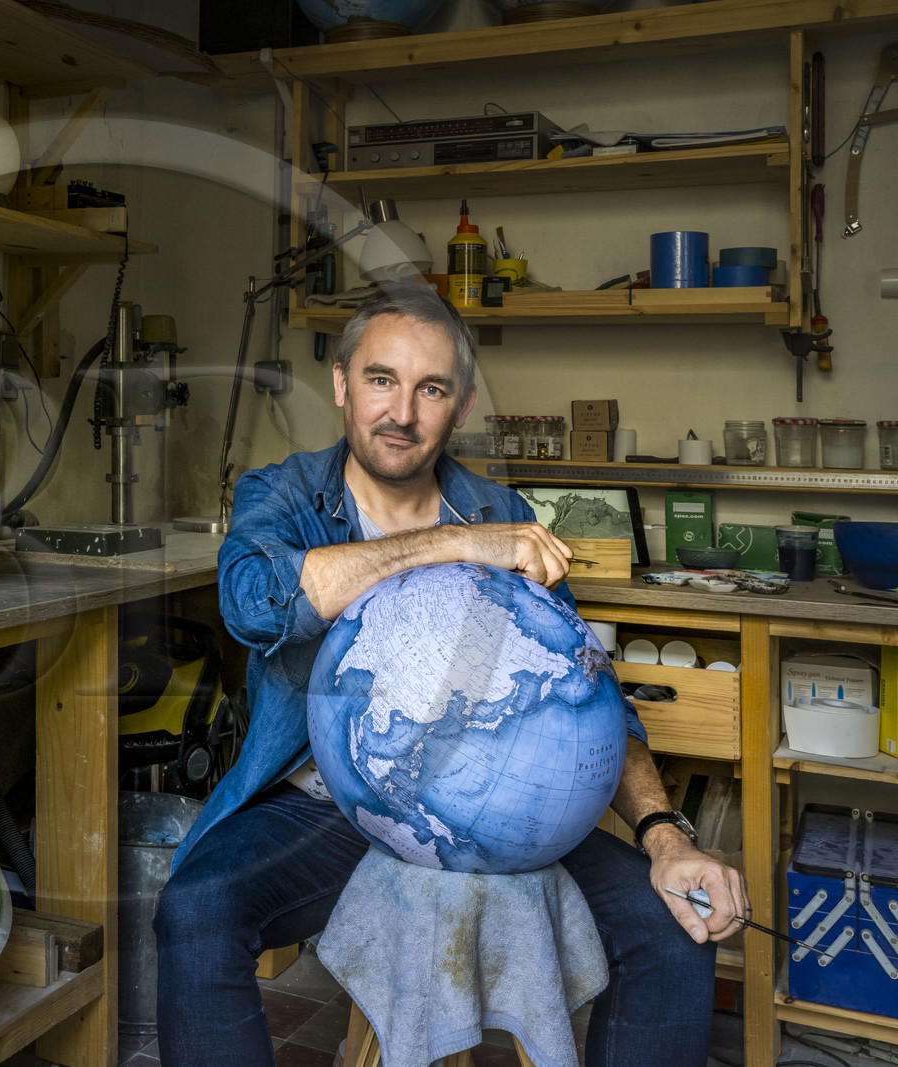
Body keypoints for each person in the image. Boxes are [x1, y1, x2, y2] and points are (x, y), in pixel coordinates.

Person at [153, 283, 749, 1067]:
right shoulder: (287, 493)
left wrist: (665, 835)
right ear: (340, 384)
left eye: (430, 388)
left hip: (492, 807)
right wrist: (456, 546)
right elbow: (254, 602)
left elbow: (586, 691)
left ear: (459, 405)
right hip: (323, 808)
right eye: (380, 380)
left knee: (676, 925)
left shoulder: (499, 507)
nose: (402, 411)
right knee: (194, 910)